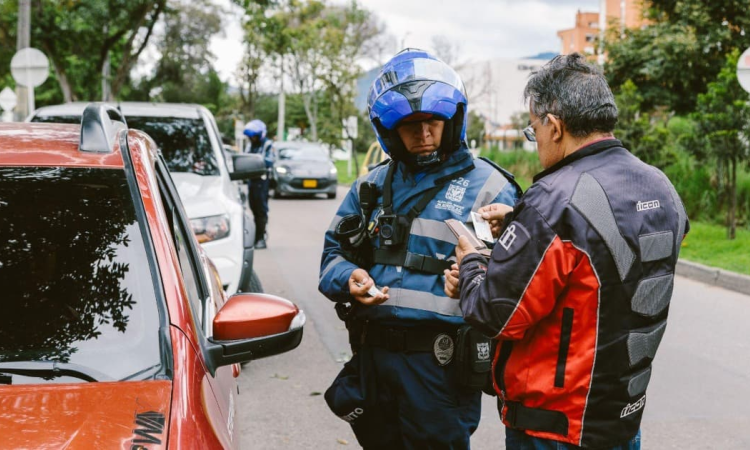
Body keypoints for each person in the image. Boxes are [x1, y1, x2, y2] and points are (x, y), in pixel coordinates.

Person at [445, 53, 690, 450]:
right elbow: (606, 266)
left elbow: (495, 314)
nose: (535, 140)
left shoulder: (552, 202)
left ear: (554, 127)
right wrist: (521, 228)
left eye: (533, 130)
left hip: (555, 430)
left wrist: (472, 259)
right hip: (622, 422)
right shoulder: (660, 186)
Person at [318, 48, 521, 449]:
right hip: (374, 358)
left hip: (440, 368)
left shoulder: (490, 187)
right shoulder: (371, 187)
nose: (423, 132)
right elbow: (330, 260)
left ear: (452, 120)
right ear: (389, 130)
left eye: (432, 120)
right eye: (410, 124)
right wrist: (350, 278)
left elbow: (519, 285)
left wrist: (476, 276)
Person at [243, 119, 275, 249]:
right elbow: (244, 158)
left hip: (262, 181)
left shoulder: (268, 145)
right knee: (253, 208)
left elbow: (270, 161)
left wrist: (256, 160)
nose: (252, 139)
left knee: (261, 210)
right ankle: (257, 235)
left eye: (254, 136)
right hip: (252, 180)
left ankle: (261, 238)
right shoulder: (250, 145)